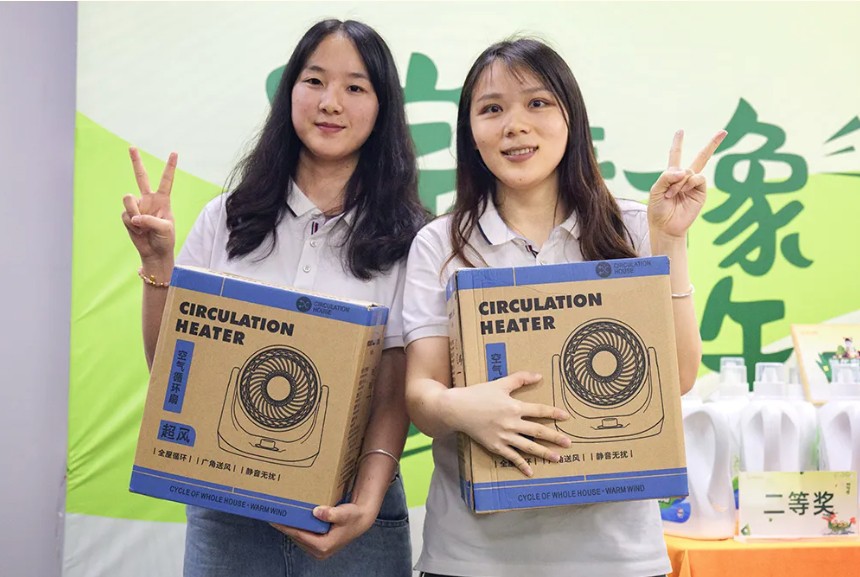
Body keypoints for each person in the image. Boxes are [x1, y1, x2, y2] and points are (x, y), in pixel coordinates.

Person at [402, 37, 727, 577]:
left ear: (571, 118)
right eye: (492, 109)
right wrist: (463, 409)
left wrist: (669, 240)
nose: (515, 125)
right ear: (471, 134)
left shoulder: (634, 226)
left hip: (617, 555)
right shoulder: (440, 244)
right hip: (473, 555)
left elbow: (680, 375)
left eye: (537, 103)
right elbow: (421, 394)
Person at [121, 19, 428, 577]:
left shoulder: (412, 238)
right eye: (315, 81)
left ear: (382, 107)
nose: (331, 102)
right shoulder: (227, 218)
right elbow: (171, 369)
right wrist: (158, 264)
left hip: (354, 508)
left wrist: (365, 504)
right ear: (290, 91)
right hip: (226, 510)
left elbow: (393, 388)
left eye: (355, 87)